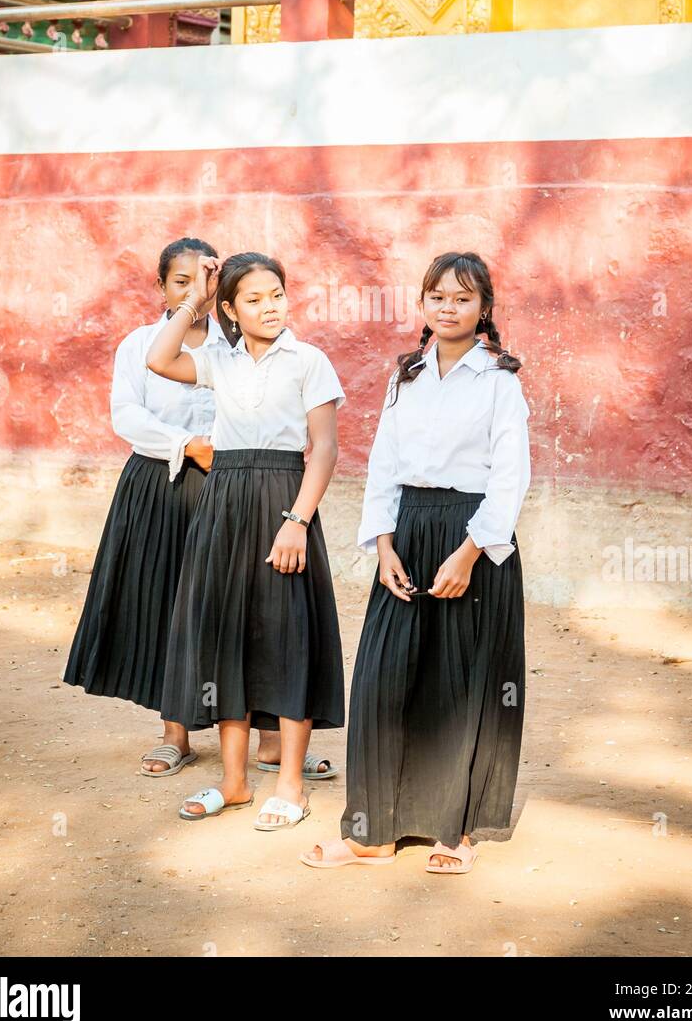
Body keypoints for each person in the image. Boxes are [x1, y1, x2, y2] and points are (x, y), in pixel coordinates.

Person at [301, 251, 531, 873]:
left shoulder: (500, 384)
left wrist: (470, 552)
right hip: (405, 536)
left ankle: (455, 831)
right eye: (437, 297)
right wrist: (381, 543)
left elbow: (510, 479)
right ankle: (372, 833)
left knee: (461, 688)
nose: (448, 308)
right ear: (423, 304)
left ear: (484, 308)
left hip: (472, 541)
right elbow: (382, 464)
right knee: (382, 679)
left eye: (462, 298)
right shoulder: (405, 377)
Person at [146, 250, 346, 829]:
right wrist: (194, 300)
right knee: (226, 635)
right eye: (254, 299)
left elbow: (325, 450)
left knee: (289, 636)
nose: (270, 307)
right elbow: (159, 358)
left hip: (285, 502)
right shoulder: (218, 359)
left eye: (277, 295)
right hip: (224, 506)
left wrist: (298, 521)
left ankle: (289, 785)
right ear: (230, 308)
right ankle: (232, 784)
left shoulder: (309, 361)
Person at [63, 238, 225, 777]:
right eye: (181, 282)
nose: (195, 292)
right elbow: (126, 415)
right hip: (160, 485)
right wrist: (186, 445)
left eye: (203, 280)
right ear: (161, 287)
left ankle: (265, 738)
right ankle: (175, 733)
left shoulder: (238, 342)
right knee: (165, 604)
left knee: (236, 604)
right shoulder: (139, 345)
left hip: (231, 486)